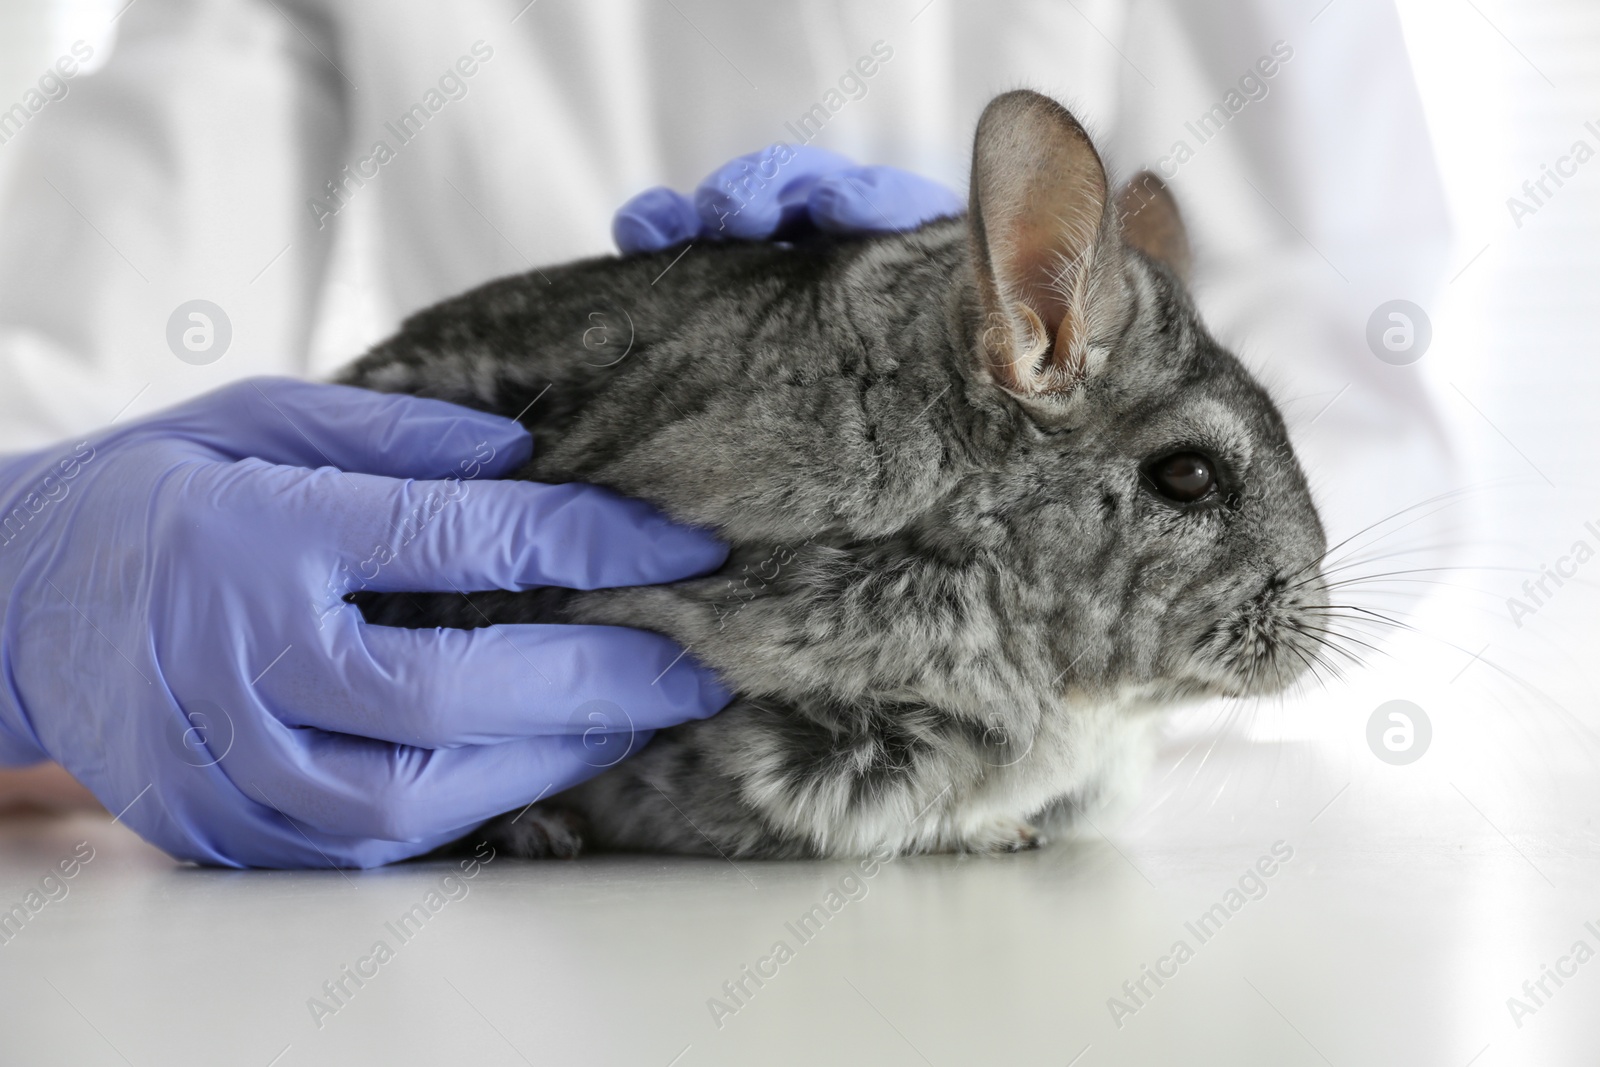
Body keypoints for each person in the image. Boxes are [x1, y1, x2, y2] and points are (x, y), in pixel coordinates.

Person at [0, 0, 1450, 867]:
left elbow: (1347, 362)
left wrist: (1040, 652)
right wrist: (38, 604)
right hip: (514, 783)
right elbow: (66, 355)